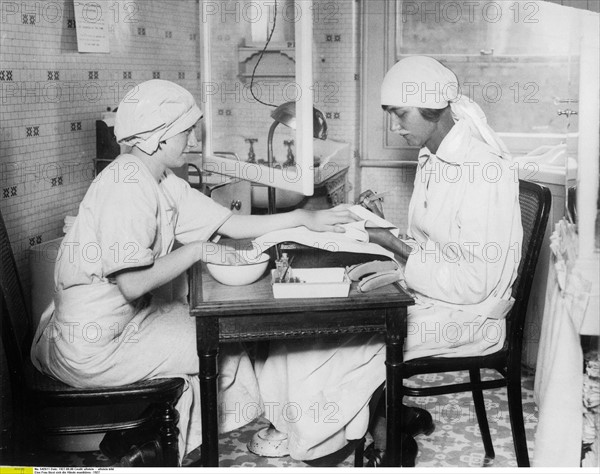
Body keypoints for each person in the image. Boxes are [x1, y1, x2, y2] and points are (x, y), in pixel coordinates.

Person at [29, 79, 357, 464]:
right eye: (185, 130)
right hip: (95, 345)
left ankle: (152, 443)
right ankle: (158, 450)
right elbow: (132, 284)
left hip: (121, 325)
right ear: (157, 137)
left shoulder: (160, 179)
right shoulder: (126, 185)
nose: (192, 138)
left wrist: (303, 218)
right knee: (218, 343)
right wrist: (198, 250)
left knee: (219, 339)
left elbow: (230, 223)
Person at [252, 56, 523, 466]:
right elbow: (437, 243)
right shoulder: (437, 154)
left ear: (432, 107)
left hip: (471, 315)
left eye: (400, 113)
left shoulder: (481, 169)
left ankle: (337, 438)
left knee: (349, 342)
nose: (395, 125)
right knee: (317, 330)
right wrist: (381, 231)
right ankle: (346, 425)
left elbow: (473, 282)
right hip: (435, 292)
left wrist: (394, 247)